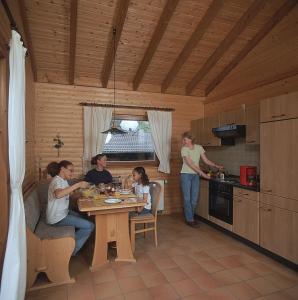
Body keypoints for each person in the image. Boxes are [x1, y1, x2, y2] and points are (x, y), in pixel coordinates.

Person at [46, 160, 94, 256]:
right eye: (70, 170)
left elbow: (71, 195)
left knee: (86, 217)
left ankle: (78, 244)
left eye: (73, 171)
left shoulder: (63, 181)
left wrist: (84, 193)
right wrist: (78, 184)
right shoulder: (57, 181)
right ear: (62, 169)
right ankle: (70, 250)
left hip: (64, 213)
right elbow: (58, 194)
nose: (72, 173)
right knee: (90, 225)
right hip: (57, 218)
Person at [180, 131, 223, 228]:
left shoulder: (199, 148)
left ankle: (190, 217)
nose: (183, 141)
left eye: (185, 139)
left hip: (195, 175)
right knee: (187, 199)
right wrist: (202, 174)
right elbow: (190, 164)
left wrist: (216, 165)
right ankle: (190, 219)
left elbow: (206, 160)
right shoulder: (184, 149)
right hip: (186, 175)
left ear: (190, 139)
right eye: (183, 139)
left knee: (194, 199)